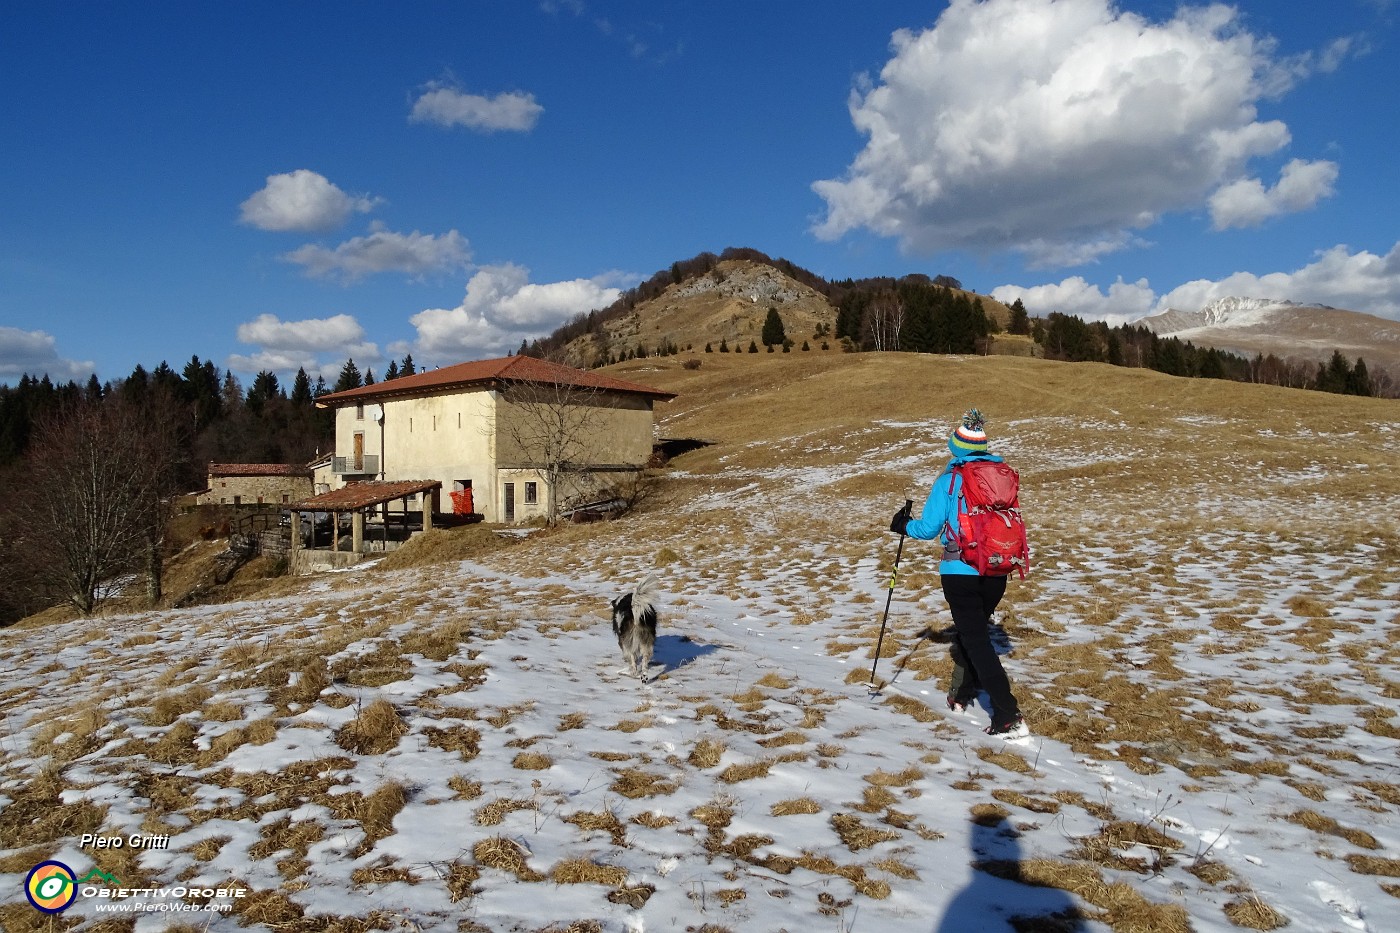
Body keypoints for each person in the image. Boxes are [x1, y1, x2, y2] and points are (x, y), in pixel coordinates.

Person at [891, 410, 1027, 738]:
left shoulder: (950, 479)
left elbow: (928, 529)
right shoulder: (1000, 475)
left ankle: (1007, 713)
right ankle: (962, 694)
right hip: (996, 568)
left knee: (977, 642)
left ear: (958, 446)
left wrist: (902, 525)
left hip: (960, 570)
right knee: (973, 633)